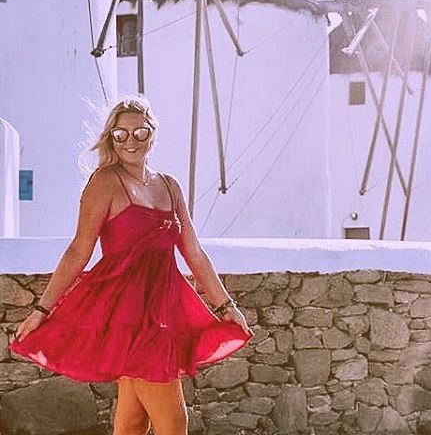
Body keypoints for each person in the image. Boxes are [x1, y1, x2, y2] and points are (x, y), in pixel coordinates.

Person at [10, 97, 253, 435]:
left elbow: (194, 253)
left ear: (152, 133)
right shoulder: (105, 182)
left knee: (133, 422)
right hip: (128, 318)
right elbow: (78, 251)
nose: (130, 141)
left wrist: (227, 307)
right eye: (120, 134)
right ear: (111, 138)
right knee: (173, 423)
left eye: (140, 132)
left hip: (163, 312)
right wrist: (42, 309)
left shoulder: (169, 186)